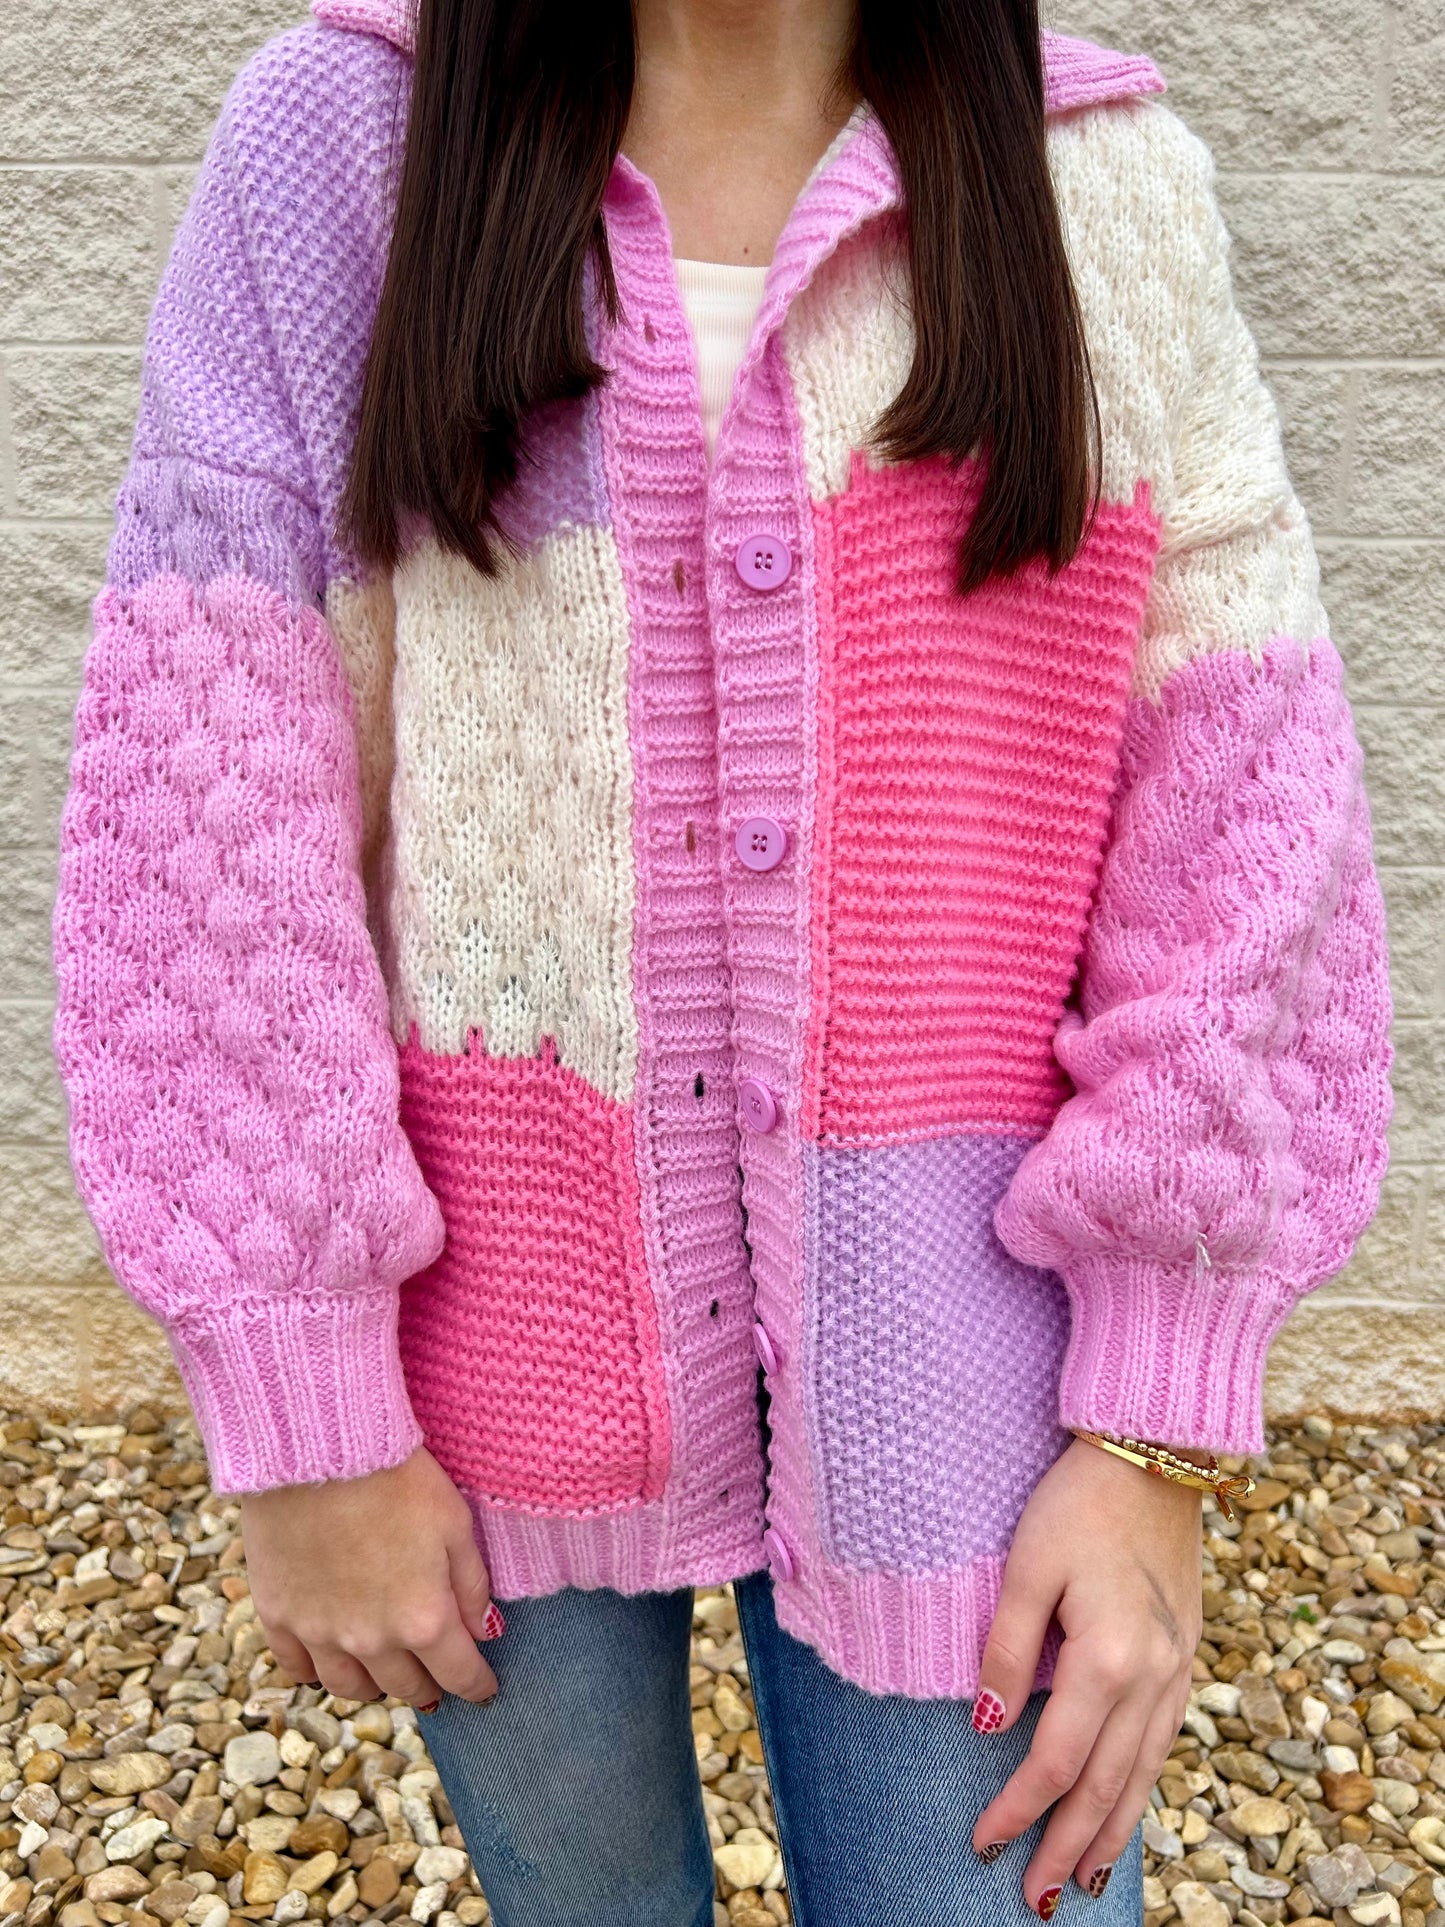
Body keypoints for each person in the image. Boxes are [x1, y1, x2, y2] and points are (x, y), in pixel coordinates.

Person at [50, 0, 1395, 1920]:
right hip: (484, 1349)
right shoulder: (346, 150)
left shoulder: (1095, 177)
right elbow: (206, 804)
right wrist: (300, 1401)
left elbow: (1244, 820)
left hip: (972, 1367)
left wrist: (1154, 1422)